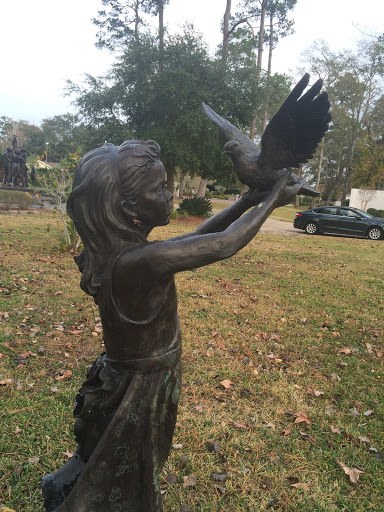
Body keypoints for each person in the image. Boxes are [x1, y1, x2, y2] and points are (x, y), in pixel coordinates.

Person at [42, 140, 303, 512]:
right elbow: (223, 244)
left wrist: (245, 201)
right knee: (132, 465)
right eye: (158, 189)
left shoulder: (122, 253)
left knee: (113, 461)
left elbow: (193, 240)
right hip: (143, 386)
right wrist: (273, 198)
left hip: (128, 378)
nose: (168, 196)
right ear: (127, 206)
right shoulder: (138, 261)